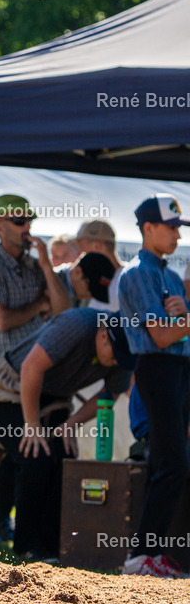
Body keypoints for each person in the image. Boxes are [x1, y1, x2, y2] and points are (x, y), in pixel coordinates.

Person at [0, 307, 136, 561]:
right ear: (104, 335)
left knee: (64, 456)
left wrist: (71, 423)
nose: (118, 363)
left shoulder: (122, 352)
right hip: (10, 388)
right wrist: (32, 425)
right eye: (116, 356)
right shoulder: (75, 324)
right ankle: (26, 546)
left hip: (54, 400)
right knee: (36, 454)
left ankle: (51, 546)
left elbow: (110, 394)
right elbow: (31, 367)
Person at [0, 194, 69, 550]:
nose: (27, 227)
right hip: (0, 375)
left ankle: (5, 530)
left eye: (29, 220)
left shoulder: (34, 264)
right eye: (18, 221)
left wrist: (45, 266)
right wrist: (39, 305)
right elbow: (2, 320)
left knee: (16, 454)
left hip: (35, 375)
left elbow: (62, 312)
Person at [118, 194, 190, 578]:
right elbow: (161, 336)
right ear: (148, 228)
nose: (178, 235)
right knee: (172, 463)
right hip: (157, 368)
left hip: (178, 369)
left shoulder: (172, 275)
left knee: (170, 462)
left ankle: (150, 554)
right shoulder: (137, 273)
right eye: (172, 227)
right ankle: (141, 555)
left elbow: (178, 332)